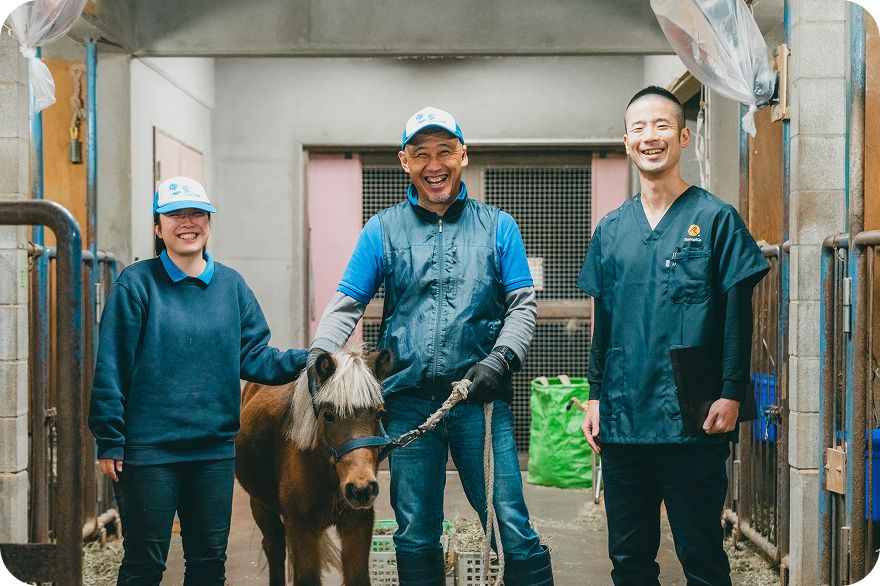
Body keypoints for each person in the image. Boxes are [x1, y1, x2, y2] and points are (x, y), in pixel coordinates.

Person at [309, 106, 553, 586]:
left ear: (464, 155)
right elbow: (345, 307)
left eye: (445, 151)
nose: (434, 164)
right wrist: (319, 363)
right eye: (421, 154)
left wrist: (500, 360)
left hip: (479, 401)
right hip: (407, 405)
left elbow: (522, 305)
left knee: (510, 524)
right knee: (415, 533)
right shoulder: (383, 230)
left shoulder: (498, 226)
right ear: (405, 161)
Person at [578, 86, 769, 586]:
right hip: (625, 418)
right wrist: (595, 395)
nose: (650, 136)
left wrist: (731, 392)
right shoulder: (611, 230)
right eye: (639, 128)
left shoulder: (716, 219)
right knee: (629, 561)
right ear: (626, 142)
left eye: (662, 125)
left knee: (701, 558)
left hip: (693, 418)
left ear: (683, 137)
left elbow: (738, 317)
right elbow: (604, 323)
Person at [88, 176, 308, 585]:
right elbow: (111, 369)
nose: (187, 223)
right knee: (145, 564)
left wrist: (309, 360)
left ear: (209, 221)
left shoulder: (232, 286)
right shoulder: (136, 285)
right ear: (158, 227)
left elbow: (255, 356)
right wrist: (110, 438)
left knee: (208, 563)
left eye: (197, 213)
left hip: (213, 452)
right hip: (148, 452)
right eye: (175, 215)